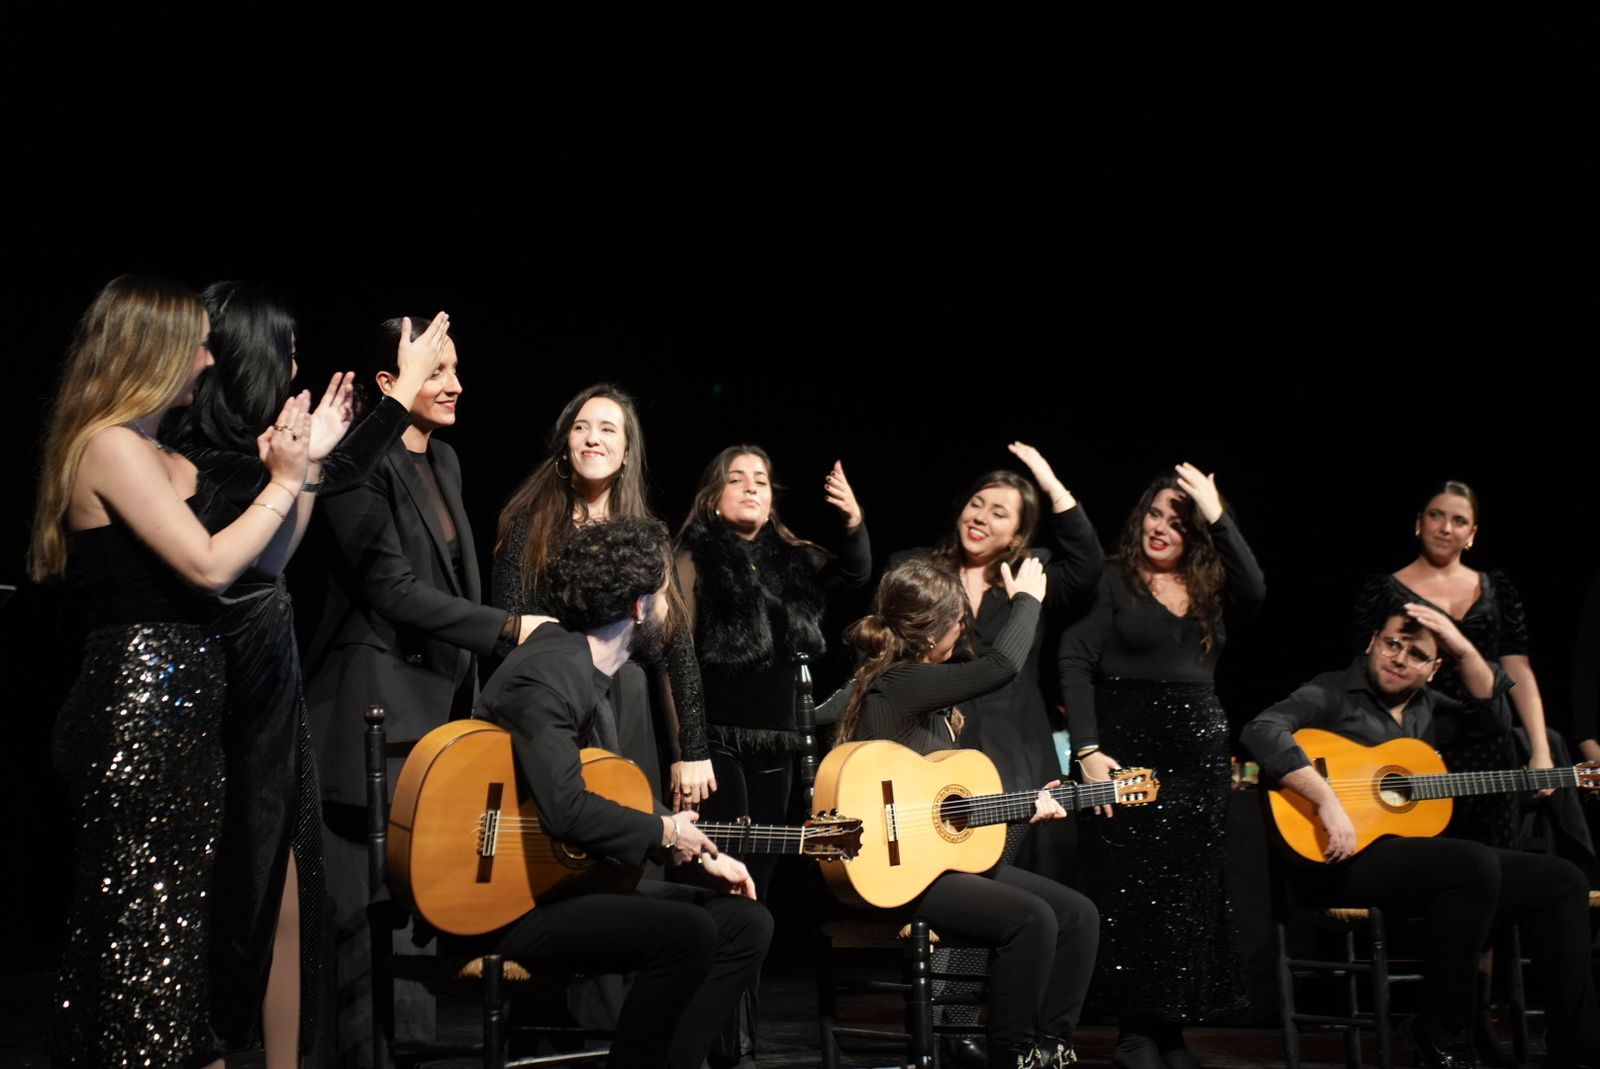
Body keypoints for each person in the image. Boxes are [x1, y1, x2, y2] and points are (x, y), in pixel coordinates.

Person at [30, 274, 310, 1067]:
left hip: (185, 718)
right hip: (138, 711)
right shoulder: (110, 444)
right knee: (141, 951)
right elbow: (210, 565)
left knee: (179, 949)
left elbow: (267, 559)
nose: (206, 357)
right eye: (194, 341)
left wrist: (301, 467)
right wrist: (284, 481)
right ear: (151, 350)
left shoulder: (156, 449)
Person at [163, 283, 444, 1065]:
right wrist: (381, 413)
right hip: (217, 707)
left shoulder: (253, 458)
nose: (296, 362)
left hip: (268, 692)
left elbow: (300, 517)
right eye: (285, 349)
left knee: (286, 891)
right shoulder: (201, 461)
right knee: (228, 912)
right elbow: (284, 503)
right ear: (251, 357)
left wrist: (317, 455)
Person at [302, 317, 543, 1065]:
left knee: (415, 904)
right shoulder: (352, 463)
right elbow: (391, 588)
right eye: (437, 370)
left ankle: (405, 1051)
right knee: (359, 912)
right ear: (389, 382)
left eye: (456, 369)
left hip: (435, 715)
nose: (456, 385)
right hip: (368, 712)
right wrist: (507, 628)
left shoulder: (446, 462)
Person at [1241, 604, 1600, 1069]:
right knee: (1471, 865)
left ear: (1433, 670)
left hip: (1407, 862)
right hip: (1334, 859)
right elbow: (1261, 730)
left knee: (1562, 880)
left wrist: (1459, 642)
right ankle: (1441, 1027)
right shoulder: (1331, 692)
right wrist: (1327, 801)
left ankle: (1579, 1048)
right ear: (1372, 643)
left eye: (1416, 654)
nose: (1399, 658)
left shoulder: (1429, 707)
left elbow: (1492, 715)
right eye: (1393, 644)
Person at [480, 517, 773, 1069]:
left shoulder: (589, 671)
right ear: (639, 608)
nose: (669, 610)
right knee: (685, 932)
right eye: (665, 596)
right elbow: (566, 807)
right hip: (513, 902)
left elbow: (604, 787)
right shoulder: (550, 673)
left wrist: (693, 845)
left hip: (565, 887)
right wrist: (664, 829)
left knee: (746, 923)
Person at [836, 557, 1098, 1069]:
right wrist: (1028, 602)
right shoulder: (899, 682)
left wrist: (1020, 811)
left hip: (936, 865)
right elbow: (1003, 667)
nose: (963, 631)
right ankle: (1013, 1054)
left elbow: (938, 818)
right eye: (959, 621)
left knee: (1079, 915)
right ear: (933, 630)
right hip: (897, 878)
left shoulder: (927, 697)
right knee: (1031, 919)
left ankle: (1052, 1047)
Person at [1058, 463, 1265, 1068]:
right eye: (1155, 513)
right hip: (1124, 751)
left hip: (1196, 762)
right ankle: (1135, 1035)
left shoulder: (1212, 584)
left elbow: (1256, 589)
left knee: (1185, 899)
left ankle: (1170, 1032)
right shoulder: (1114, 579)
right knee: (1131, 894)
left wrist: (1216, 509)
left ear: (1196, 532)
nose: (1162, 527)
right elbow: (1074, 659)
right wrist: (1088, 751)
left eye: (1178, 520)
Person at [492, 383, 713, 808]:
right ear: (565, 446)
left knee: (628, 835)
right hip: (550, 706)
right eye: (581, 427)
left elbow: (676, 646)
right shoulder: (528, 526)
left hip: (627, 706)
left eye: (608, 429)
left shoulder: (649, 536)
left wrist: (693, 752)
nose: (593, 437)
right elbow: (506, 626)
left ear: (627, 452)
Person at [675, 445, 871, 885]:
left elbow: (856, 576)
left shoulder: (793, 559)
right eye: (736, 479)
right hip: (715, 741)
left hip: (779, 742)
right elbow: (677, 651)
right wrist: (687, 749)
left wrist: (853, 521)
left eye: (760, 481)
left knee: (758, 876)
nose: (750, 488)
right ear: (712, 498)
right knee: (720, 868)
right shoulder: (694, 558)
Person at [1352, 481, 1556, 848]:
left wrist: (1540, 749)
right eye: (1436, 516)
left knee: (1496, 866)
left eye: (1459, 521)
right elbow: (1364, 672)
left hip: (1490, 747)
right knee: (1427, 868)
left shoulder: (1497, 587)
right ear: (1419, 523)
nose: (1446, 528)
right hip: (1418, 745)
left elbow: (1518, 668)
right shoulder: (1384, 589)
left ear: (1472, 533)